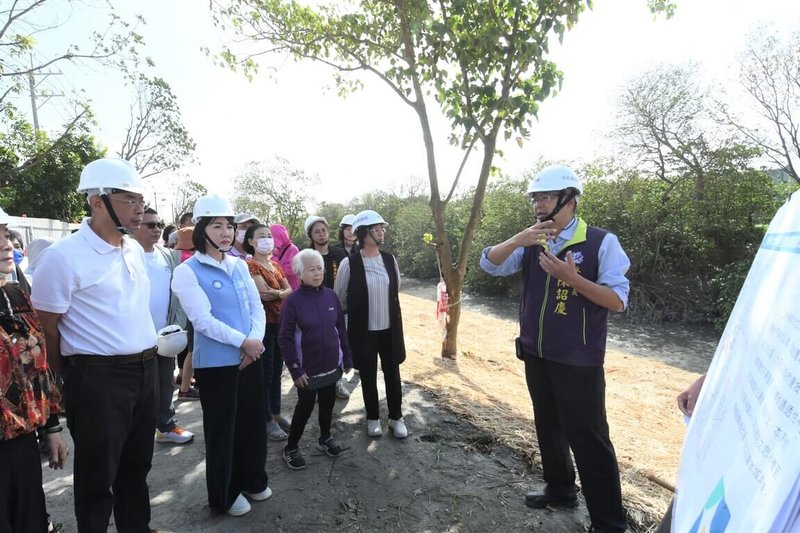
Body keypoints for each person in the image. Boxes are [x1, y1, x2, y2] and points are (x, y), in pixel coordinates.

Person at [479, 165, 630, 533]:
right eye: (535, 198)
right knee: (548, 426)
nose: (538, 204)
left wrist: (572, 280)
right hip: (537, 353)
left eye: (546, 197)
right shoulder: (533, 241)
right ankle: (561, 488)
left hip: (579, 360)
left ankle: (609, 523)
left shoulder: (600, 242)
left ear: (569, 200)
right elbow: (490, 264)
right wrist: (519, 239)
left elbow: (617, 300)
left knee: (589, 438)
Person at [31, 157, 161, 532]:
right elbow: (47, 332)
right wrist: (67, 382)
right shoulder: (63, 257)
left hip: (145, 369)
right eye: (129, 200)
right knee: (97, 480)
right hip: (98, 378)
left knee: (136, 470)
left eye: (141, 200)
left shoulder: (133, 248)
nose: (139, 209)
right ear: (97, 201)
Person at [171, 194, 270, 518]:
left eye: (229, 226)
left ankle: (253, 479)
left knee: (253, 423)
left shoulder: (240, 265)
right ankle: (225, 494)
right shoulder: (188, 271)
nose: (226, 233)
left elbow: (256, 306)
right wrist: (245, 342)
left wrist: (254, 341)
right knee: (222, 431)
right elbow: (203, 321)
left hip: (249, 357)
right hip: (218, 364)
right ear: (201, 229)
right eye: (217, 226)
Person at [0, 207, 68, 533]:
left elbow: (37, 367)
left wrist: (51, 427)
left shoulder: (16, 294)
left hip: (21, 443)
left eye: (5, 235)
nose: (6, 245)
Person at [333, 210, 407, 439]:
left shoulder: (389, 259)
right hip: (363, 330)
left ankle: (396, 417)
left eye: (382, 228)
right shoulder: (350, 263)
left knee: (392, 373)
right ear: (363, 234)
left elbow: (396, 288)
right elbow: (340, 297)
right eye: (376, 229)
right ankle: (373, 418)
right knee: (367, 374)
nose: (381, 232)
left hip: (389, 328)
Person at [278, 249, 353, 469]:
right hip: (307, 369)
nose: (317, 272)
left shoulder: (331, 296)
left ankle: (325, 438)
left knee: (328, 405)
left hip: (332, 364)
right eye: (311, 269)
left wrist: (347, 358)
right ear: (299, 274)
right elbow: (284, 338)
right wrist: (295, 369)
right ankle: (291, 447)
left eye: (319, 267)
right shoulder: (293, 302)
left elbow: (340, 328)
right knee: (305, 407)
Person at [132, 207, 194, 445]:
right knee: (140, 390)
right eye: (149, 225)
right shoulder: (126, 255)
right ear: (135, 227)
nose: (156, 229)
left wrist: (175, 326)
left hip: (165, 335)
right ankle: (139, 431)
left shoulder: (166, 255)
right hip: (135, 339)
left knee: (165, 382)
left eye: (158, 224)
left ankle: (166, 426)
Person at [243, 223, 293, 440]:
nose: (266, 240)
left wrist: (279, 293)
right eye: (261, 236)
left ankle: (276, 412)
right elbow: (263, 293)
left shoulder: (275, 264)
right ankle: (265, 419)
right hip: (263, 326)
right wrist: (282, 293)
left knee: (277, 373)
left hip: (280, 324)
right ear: (251, 241)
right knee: (266, 373)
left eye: (269, 236)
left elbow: (290, 288)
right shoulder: (250, 265)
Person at [304, 215, 350, 399]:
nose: (322, 234)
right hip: (312, 308)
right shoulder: (306, 256)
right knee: (313, 344)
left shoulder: (340, 254)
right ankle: (312, 380)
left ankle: (336, 382)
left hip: (338, 307)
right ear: (310, 235)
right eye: (317, 231)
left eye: (324, 230)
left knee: (336, 344)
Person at [270, 223, 300, 290]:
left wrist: (275, 261)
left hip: (293, 286)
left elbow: (292, 269)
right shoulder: (277, 250)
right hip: (282, 287)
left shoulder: (293, 249)